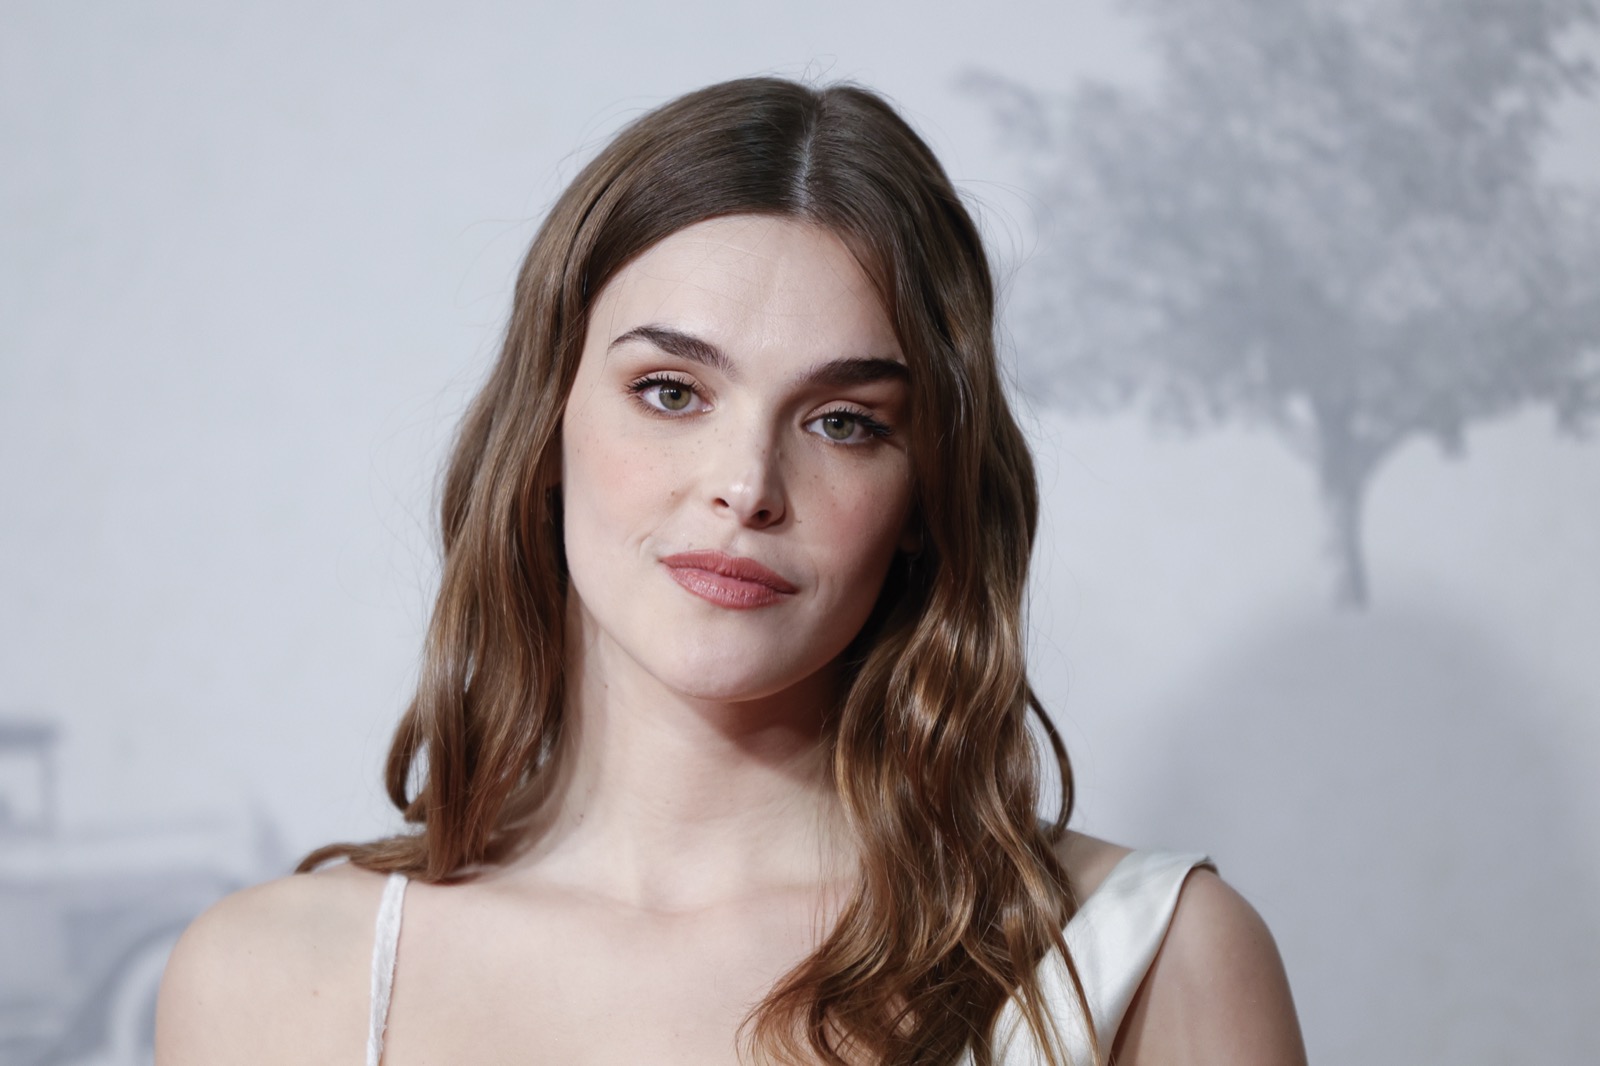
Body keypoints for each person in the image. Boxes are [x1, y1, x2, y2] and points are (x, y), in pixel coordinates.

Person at [154, 76, 1305, 1065]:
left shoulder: (1152, 960)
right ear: (545, 425)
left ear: (925, 496)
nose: (745, 484)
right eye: (671, 392)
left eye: (844, 421)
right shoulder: (272, 983)